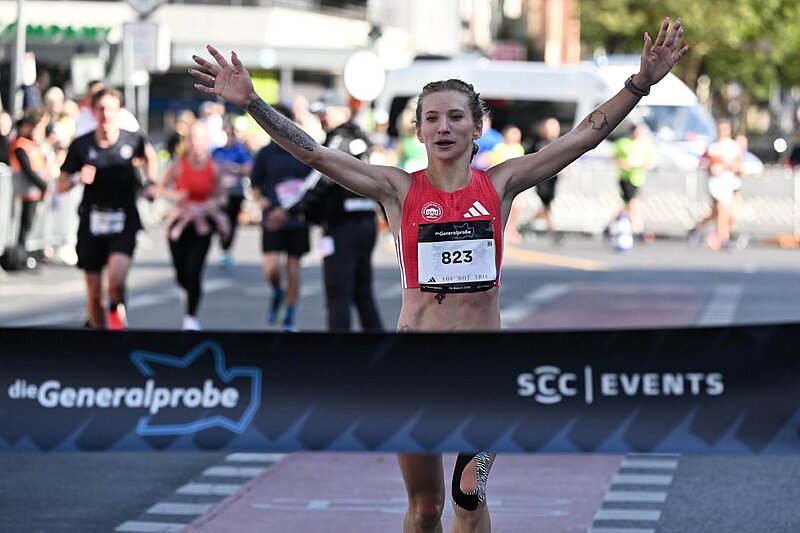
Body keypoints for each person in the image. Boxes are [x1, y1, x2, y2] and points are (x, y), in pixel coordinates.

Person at [190, 17, 687, 531]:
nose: (443, 127)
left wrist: (641, 84)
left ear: (478, 128)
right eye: (432, 118)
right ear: (420, 129)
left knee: (468, 498)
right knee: (425, 507)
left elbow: (585, 136)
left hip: (483, 369)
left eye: (454, 117)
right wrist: (252, 103)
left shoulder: (501, 184)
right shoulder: (397, 190)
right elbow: (312, 152)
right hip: (413, 366)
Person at [267, 91, 384, 333]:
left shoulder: (340, 140)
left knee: (338, 290)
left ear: (342, 112)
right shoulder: (360, 138)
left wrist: (289, 210)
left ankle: (336, 355)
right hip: (364, 223)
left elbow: (320, 176)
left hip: (343, 226)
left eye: (324, 112)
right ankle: (379, 352)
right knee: (362, 292)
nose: (321, 118)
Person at [57, 88, 158, 329]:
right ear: (93, 112)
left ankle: (116, 313)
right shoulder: (82, 145)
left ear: (119, 111)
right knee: (93, 292)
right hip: (92, 218)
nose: (106, 114)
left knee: (115, 281)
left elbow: (149, 157)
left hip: (124, 218)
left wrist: (150, 184)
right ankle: (99, 338)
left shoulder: (132, 139)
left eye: (111, 109)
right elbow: (61, 184)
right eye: (101, 109)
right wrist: (77, 179)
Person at [157, 122, 230, 331]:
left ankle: (190, 317)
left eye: (200, 139)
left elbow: (222, 196)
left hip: (202, 224)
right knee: (181, 272)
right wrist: (175, 195)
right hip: (180, 221)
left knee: (194, 270)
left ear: (206, 142)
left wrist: (212, 204)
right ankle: (186, 291)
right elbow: (160, 189)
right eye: (192, 138)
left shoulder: (212, 166)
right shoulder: (178, 165)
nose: (196, 143)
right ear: (187, 141)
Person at [250, 103, 312, 331]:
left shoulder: (303, 149)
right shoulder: (266, 153)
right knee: (272, 268)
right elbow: (256, 183)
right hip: (273, 217)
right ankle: (277, 291)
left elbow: (312, 182)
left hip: (297, 218)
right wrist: (261, 201)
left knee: (294, 267)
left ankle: (290, 314)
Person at [694, 119, 742, 251]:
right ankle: (724, 239)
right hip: (716, 184)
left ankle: (698, 227)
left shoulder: (733, 147)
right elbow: (702, 162)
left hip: (729, 183)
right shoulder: (712, 147)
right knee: (721, 211)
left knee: (724, 214)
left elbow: (738, 165)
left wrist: (726, 166)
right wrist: (710, 166)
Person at [9, 108, 50, 262]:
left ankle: (23, 256)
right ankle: (17, 257)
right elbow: (27, 170)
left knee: (28, 226)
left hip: (34, 192)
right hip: (25, 191)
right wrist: (43, 185)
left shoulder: (33, 144)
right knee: (22, 227)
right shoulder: (20, 145)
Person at [606, 122, 656, 248]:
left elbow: (651, 162)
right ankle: (638, 229)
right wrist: (624, 163)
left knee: (626, 206)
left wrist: (641, 164)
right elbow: (613, 158)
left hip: (638, 178)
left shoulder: (646, 144)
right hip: (625, 178)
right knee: (633, 203)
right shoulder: (623, 143)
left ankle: (609, 226)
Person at [212, 118, 253, 268]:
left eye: (231, 134)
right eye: (226, 133)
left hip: (235, 191)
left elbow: (249, 167)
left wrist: (234, 168)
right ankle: (222, 243)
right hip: (219, 193)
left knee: (231, 221)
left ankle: (226, 249)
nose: (228, 137)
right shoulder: (217, 151)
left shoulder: (240, 150)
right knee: (218, 220)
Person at [530, 117, 562, 240]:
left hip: (553, 178)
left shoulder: (557, 142)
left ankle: (528, 224)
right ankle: (551, 229)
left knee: (546, 205)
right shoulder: (538, 143)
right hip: (541, 178)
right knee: (545, 203)